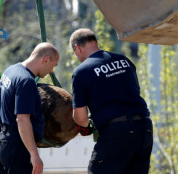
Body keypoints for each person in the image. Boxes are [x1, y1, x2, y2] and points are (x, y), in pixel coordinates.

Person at [70, 28, 153, 174]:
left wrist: (82, 124)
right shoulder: (124, 61)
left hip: (117, 132)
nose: (76, 56)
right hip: (144, 128)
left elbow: (82, 118)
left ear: (77, 47)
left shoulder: (81, 72)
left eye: (74, 52)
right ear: (95, 42)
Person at [0, 42, 59, 174]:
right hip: (17, 146)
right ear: (46, 59)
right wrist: (34, 155)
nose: (51, 71)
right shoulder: (26, 81)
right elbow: (22, 120)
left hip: (1, 140)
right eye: (53, 66)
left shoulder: (11, 70)